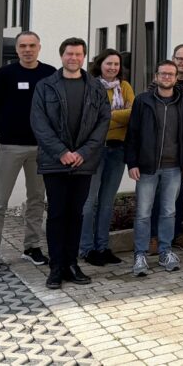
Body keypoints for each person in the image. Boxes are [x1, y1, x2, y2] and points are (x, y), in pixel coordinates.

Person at [30, 38, 111, 290]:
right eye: (69, 54)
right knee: (57, 214)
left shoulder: (96, 87)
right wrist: (62, 152)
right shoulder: (45, 86)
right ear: (61, 56)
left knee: (76, 214)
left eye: (78, 54)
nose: (73, 58)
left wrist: (83, 152)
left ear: (84, 57)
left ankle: (71, 264)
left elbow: (103, 122)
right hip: (55, 162)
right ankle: (56, 267)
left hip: (83, 162)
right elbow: (39, 123)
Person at [0, 31, 55, 274]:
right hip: (10, 146)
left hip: (41, 148)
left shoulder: (49, 73)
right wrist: (6, 131)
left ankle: (32, 247)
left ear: (39, 47)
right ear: (16, 49)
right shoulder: (6, 74)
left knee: (36, 198)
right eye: (23, 46)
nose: (27, 50)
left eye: (32, 45)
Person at [125, 60, 183, 276]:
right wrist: (132, 163)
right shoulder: (142, 101)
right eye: (163, 74)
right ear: (156, 77)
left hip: (174, 167)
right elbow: (133, 133)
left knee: (168, 211)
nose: (166, 77)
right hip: (147, 167)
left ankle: (165, 251)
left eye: (170, 74)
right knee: (143, 213)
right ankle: (140, 255)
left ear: (176, 78)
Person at [78, 48, 132, 267]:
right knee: (89, 202)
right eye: (109, 63)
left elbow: (133, 113)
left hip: (118, 150)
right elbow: (91, 119)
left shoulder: (125, 87)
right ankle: (86, 248)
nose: (113, 67)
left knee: (108, 202)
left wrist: (108, 115)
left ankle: (102, 247)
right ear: (100, 65)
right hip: (95, 149)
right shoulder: (90, 87)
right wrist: (117, 116)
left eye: (116, 64)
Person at [153, 44, 183, 253]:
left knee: (178, 194)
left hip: (181, 151)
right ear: (173, 58)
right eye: (180, 58)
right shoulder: (157, 82)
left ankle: (176, 234)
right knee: (156, 195)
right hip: (158, 151)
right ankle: (154, 237)